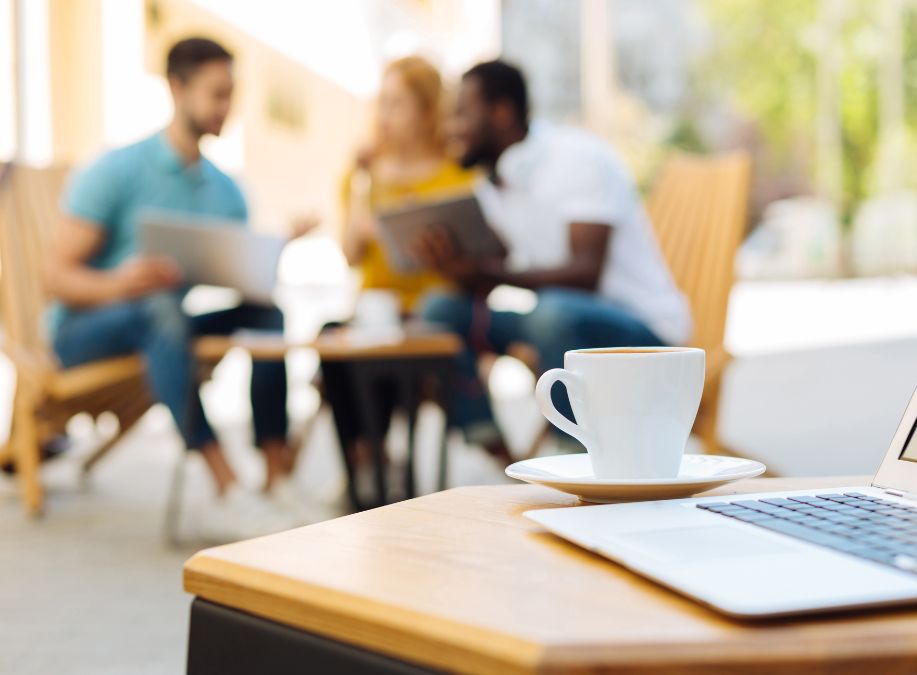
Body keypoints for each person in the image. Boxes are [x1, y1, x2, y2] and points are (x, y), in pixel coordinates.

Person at [46, 37, 306, 539]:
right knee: (159, 307)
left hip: (163, 329)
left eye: (232, 94)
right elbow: (56, 278)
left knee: (266, 313)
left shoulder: (226, 192)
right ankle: (225, 487)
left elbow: (240, 281)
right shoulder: (116, 171)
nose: (226, 108)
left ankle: (275, 479)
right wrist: (121, 282)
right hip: (82, 334)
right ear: (176, 88)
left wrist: (273, 253)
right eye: (216, 94)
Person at [414, 60, 692, 464]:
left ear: (501, 112)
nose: (451, 127)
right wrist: (452, 267)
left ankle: (574, 457)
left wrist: (487, 271)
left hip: (643, 334)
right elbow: (490, 280)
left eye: (461, 113)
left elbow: (585, 274)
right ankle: (498, 449)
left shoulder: (578, 158)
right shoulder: (491, 186)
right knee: (439, 310)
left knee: (552, 311)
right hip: (559, 324)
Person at [321, 57, 475, 502]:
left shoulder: (456, 174)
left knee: (391, 351)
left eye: (397, 104)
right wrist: (364, 182)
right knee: (330, 339)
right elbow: (350, 254)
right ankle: (364, 460)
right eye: (381, 103)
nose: (384, 115)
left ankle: (377, 461)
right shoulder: (363, 176)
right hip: (373, 310)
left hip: (427, 314)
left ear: (428, 112)